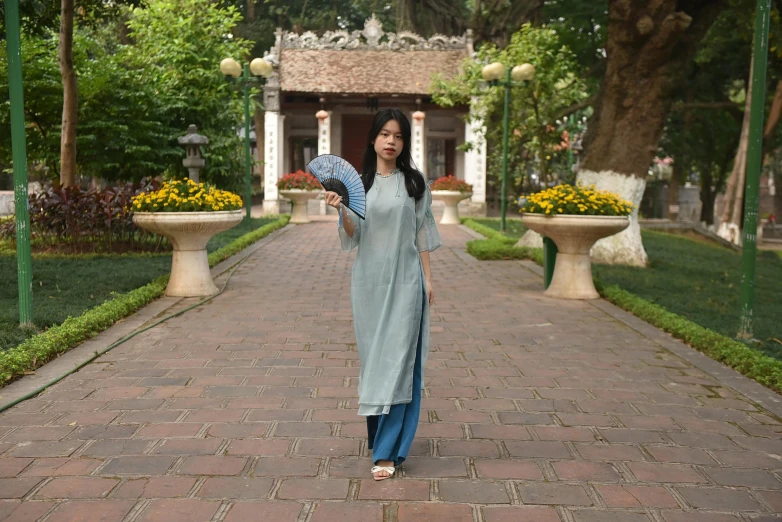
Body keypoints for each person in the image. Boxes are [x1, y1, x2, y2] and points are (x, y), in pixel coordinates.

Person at [324, 108, 442, 481]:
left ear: (405, 142)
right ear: (373, 138)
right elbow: (353, 235)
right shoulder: (359, 185)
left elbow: (422, 232)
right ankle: (378, 441)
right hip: (369, 284)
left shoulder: (415, 183)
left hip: (407, 282)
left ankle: (388, 452)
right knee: (375, 362)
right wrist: (341, 209)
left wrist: (428, 278)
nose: (392, 141)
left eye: (399, 136)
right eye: (385, 134)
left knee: (400, 361)